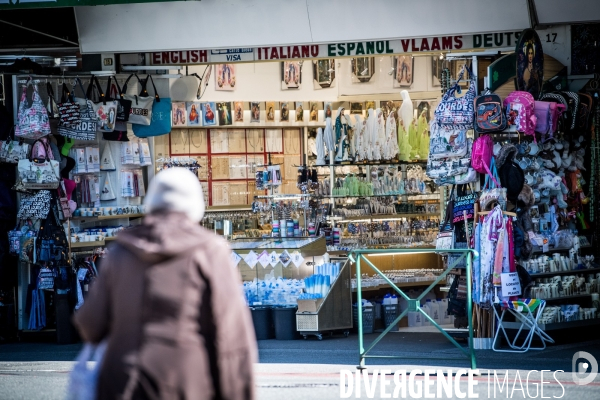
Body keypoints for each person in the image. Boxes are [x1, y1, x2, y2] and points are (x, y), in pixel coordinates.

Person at [73, 168, 257, 400]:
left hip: (122, 383)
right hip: (187, 382)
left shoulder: (121, 252)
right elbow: (232, 337)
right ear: (195, 205)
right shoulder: (210, 251)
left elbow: (90, 322)